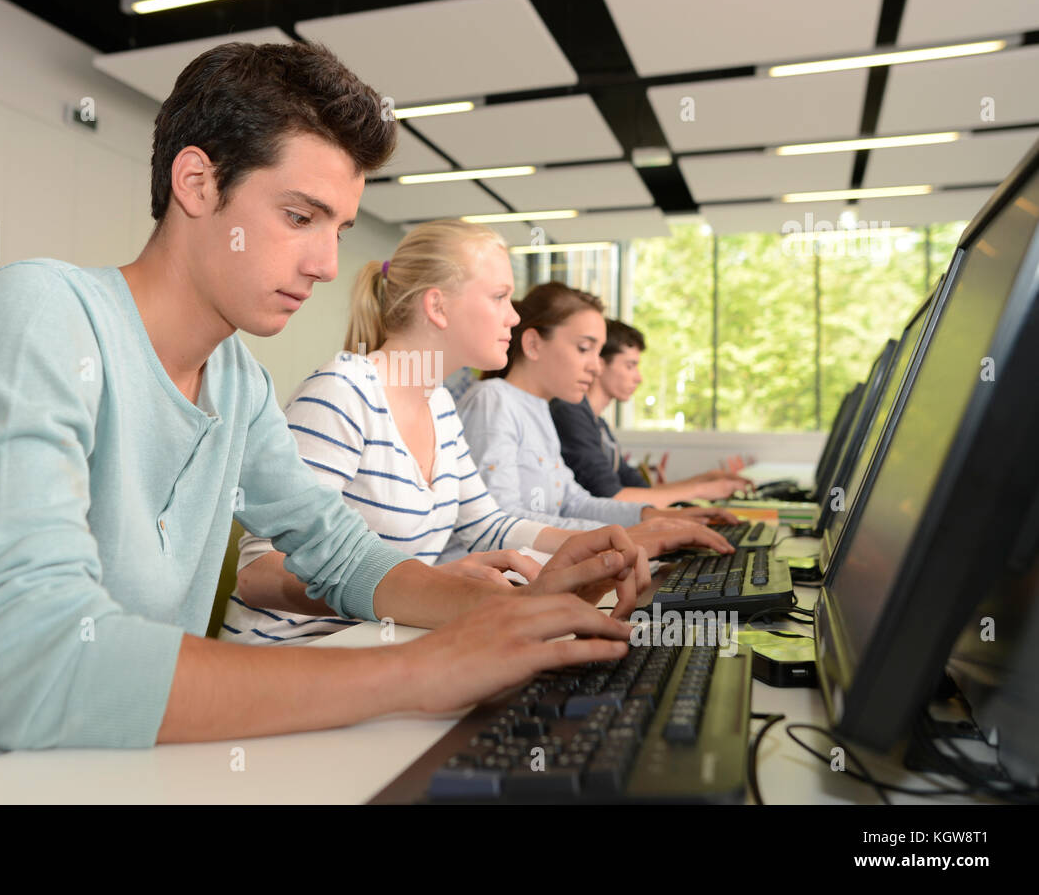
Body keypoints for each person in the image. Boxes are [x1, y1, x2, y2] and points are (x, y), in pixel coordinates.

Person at [0, 42, 661, 804]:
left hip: (86, 771)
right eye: (298, 216)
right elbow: (31, 666)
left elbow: (342, 552)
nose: (324, 262)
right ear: (196, 182)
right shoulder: (40, 313)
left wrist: (507, 603)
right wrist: (425, 671)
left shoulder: (235, 377)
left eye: (340, 226)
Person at [223, 221, 733, 643]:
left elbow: (489, 525)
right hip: (294, 656)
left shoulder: (439, 403)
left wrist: (603, 546)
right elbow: (261, 573)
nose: (514, 316)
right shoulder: (343, 393)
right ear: (438, 306)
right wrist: (423, 586)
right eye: (500, 297)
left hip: (383, 643)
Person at [457, 283, 738, 533]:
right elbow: (501, 519)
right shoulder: (493, 401)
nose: (595, 366)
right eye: (584, 348)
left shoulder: (540, 410)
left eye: (598, 351)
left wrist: (654, 516)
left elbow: (573, 502)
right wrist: (620, 536)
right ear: (533, 344)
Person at [550, 319, 752, 502]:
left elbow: (642, 489)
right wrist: (700, 490)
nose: (639, 378)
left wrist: (705, 480)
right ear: (600, 365)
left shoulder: (598, 424)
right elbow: (614, 496)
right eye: (630, 366)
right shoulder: (570, 413)